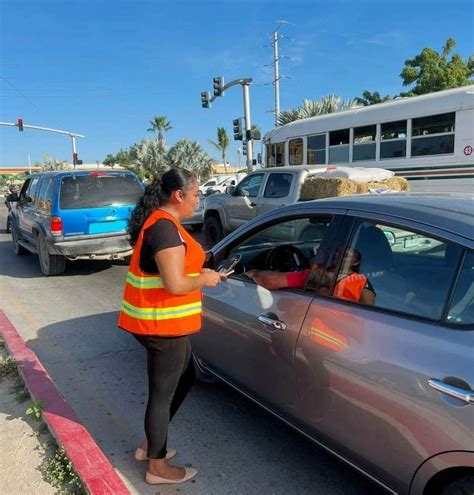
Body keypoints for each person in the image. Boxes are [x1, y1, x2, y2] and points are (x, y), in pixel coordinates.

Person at [118, 168, 227, 486]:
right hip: (162, 326)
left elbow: (175, 269)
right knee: (162, 395)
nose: (198, 200)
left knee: (186, 377)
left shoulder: (163, 224)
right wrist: (205, 279)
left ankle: (151, 446)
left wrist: (199, 268)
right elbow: (176, 284)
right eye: (196, 195)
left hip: (163, 323)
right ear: (178, 195)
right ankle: (157, 467)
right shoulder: (164, 229)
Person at [245, 246, 375, 305]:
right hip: (346, 344)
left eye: (344, 255)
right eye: (336, 252)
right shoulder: (364, 284)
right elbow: (370, 319)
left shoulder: (319, 275)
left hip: (316, 336)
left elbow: (270, 280)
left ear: (356, 262)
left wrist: (254, 273)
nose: (337, 256)